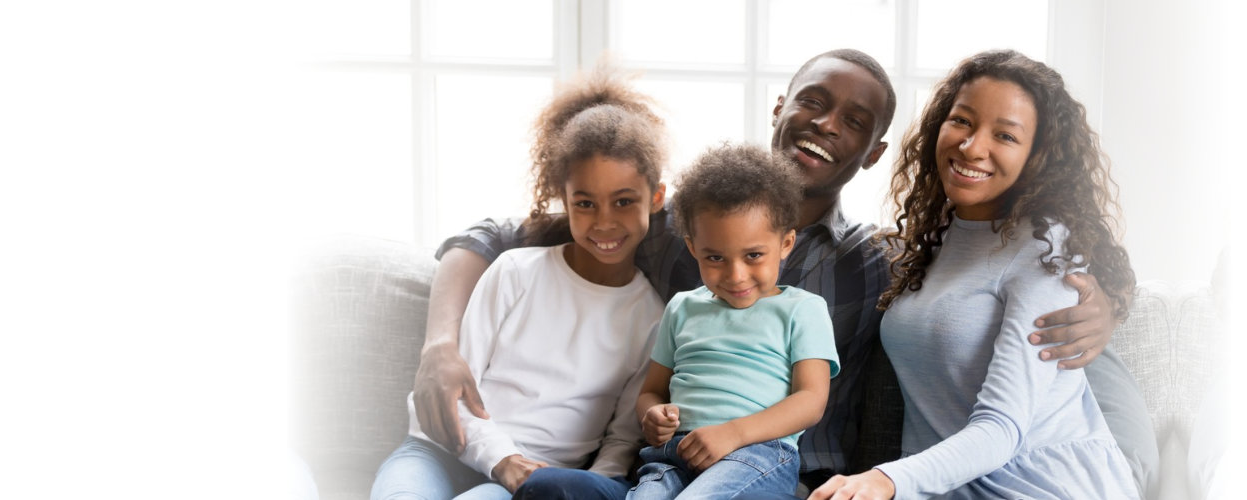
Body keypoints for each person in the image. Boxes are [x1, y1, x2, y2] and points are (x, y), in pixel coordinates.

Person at [417, 49, 1158, 495]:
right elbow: (497, 233)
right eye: (813, 101)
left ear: (873, 153)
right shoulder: (680, 224)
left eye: (856, 121)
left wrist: (1112, 304)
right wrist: (442, 345)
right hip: (669, 458)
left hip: (790, 475)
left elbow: (1052, 356)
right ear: (780, 106)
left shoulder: (883, 261)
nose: (827, 123)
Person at [811, 49, 1138, 500]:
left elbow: (1002, 427)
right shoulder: (936, 239)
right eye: (962, 121)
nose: (972, 146)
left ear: (1037, 156)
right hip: (949, 486)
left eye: (1004, 135)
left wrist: (885, 479)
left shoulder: (1046, 250)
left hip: (1038, 486)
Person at [370, 66, 671, 500]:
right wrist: (503, 460)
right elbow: (454, 391)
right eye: (584, 204)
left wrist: (590, 486)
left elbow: (622, 439)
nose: (605, 222)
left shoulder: (653, 318)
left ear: (656, 197)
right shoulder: (515, 272)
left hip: (534, 479)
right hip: (438, 451)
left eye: (624, 202)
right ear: (563, 201)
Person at [621, 144, 839, 499]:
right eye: (716, 257)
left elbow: (811, 400)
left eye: (753, 255)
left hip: (757, 453)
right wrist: (653, 414)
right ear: (693, 249)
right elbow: (652, 391)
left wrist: (734, 433)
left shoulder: (803, 309)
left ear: (785, 243)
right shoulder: (682, 308)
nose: (736, 275)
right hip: (673, 456)